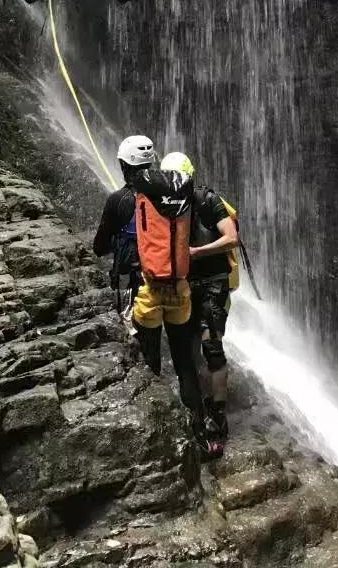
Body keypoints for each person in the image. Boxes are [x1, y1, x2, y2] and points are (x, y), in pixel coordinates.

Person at [93, 135, 221, 458]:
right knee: (184, 363)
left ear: (124, 166)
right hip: (180, 286)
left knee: (147, 358)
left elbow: (99, 246)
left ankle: (159, 438)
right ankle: (201, 434)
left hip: (146, 287)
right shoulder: (179, 190)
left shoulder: (121, 201)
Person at [160, 151, 239, 442]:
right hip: (184, 283)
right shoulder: (167, 205)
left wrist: (196, 252)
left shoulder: (207, 201)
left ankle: (218, 412)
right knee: (188, 344)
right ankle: (196, 406)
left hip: (212, 283)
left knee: (212, 345)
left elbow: (231, 238)